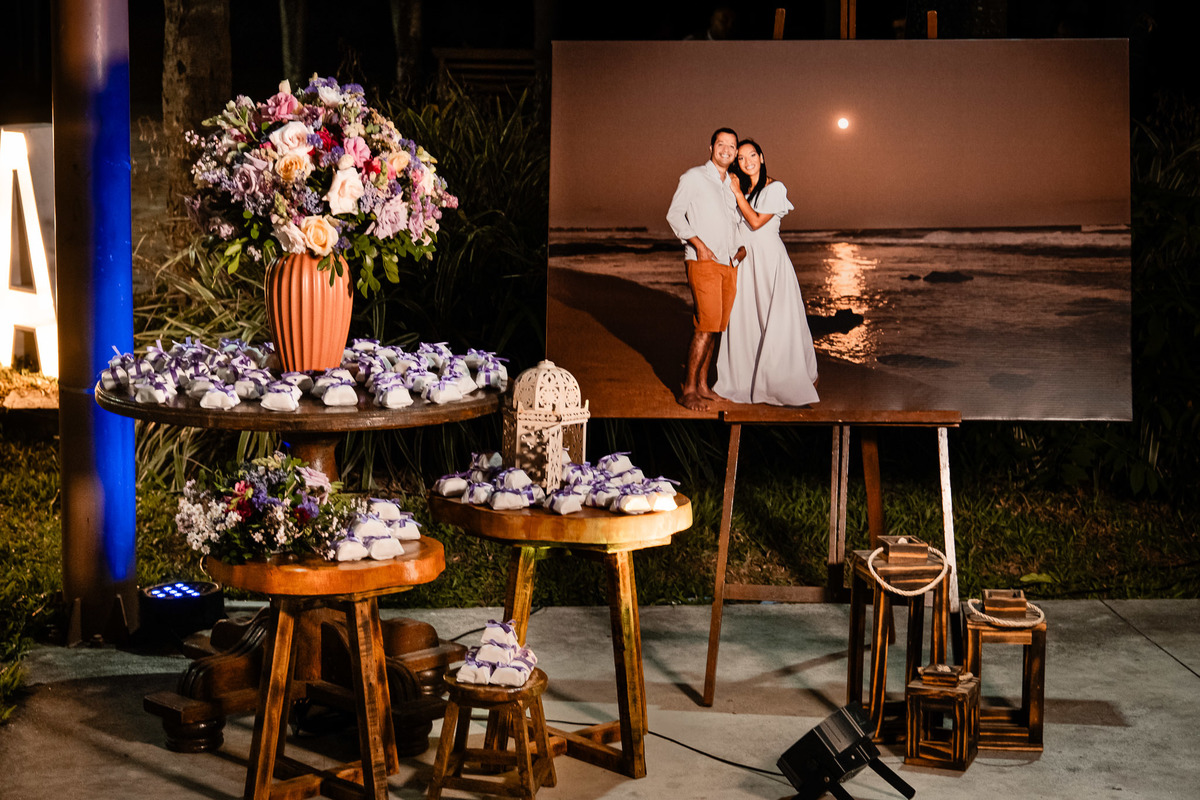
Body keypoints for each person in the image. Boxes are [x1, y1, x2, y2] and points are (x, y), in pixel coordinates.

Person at [713, 139, 819, 406]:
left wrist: (736, 193)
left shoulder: (775, 188)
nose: (747, 161)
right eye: (741, 158)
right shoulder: (743, 191)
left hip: (770, 262)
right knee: (747, 319)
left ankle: (784, 381)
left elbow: (757, 222)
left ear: (761, 156)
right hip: (747, 263)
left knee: (778, 319)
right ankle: (746, 379)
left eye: (751, 155)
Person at [666, 128, 747, 411]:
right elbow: (674, 214)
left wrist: (741, 251)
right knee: (704, 324)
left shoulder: (731, 183)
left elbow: (735, 223)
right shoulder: (693, 177)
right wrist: (698, 244)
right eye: (721, 143)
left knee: (715, 327)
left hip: (729, 263)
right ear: (711, 146)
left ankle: (703, 385)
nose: (726, 149)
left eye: (732, 145)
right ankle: (687, 389)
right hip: (703, 261)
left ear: (736, 152)